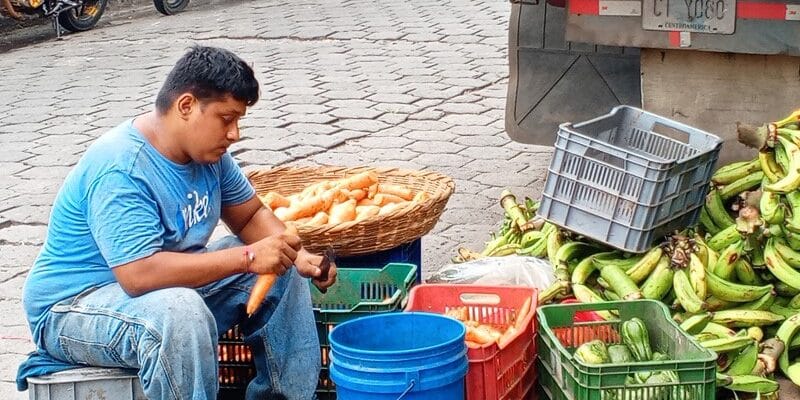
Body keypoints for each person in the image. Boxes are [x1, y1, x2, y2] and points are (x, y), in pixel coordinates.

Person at [19, 45, 337, 400]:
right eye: (226, 119)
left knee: (279, 263)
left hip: (162, 293)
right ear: (186, 106)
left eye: (239, 121)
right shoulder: (122, 167)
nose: (235, 134)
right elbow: (139, 275)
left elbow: (250, 215)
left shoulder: (208, 155)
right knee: (179, 314)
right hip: (73, 308)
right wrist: (248, 257)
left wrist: (299, 256)